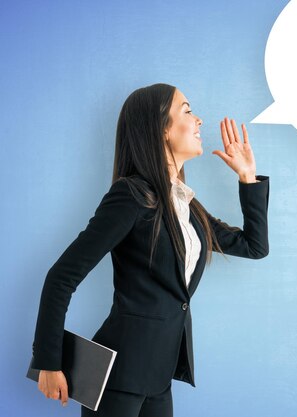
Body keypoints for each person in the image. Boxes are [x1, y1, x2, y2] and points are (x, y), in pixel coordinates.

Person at [30, 83, 270, 417]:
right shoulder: (131, 195)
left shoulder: (188, 207)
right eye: (187, 110)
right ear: (161, 130)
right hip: (119, 376)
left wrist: (247, 177)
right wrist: (48, 362)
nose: (199, 120)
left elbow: (254, 246)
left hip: (159, 378)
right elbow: (62, 277)